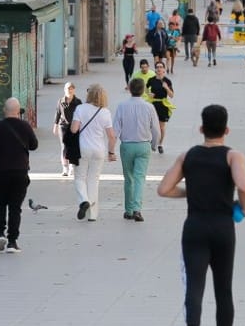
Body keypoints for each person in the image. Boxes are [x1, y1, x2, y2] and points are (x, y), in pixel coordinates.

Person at [156, 104, 245, 326]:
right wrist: (244, 208)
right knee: (224, 290)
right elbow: (244, 186)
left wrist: (191, 192)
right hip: (223, 228)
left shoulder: (188, 156)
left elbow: (163, 189)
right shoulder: (233, 156)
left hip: (194, 227)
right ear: (227, 129)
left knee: (194, 286)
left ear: (201, 129)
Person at [0, 98, 38, 253]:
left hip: (0, 172)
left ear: (4, 110)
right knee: (15, 207)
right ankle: (12, 242)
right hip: (20, 172)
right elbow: (34, 145)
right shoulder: (25, 126)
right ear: (18, 111)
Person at [115, 78, 161, 222]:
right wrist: (154, 144)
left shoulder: (122, 106)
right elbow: (156, 130)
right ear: (143, 90)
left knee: (129, 178)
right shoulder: (149, 107)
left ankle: (128, 210)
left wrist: (111, 148)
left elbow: (115, 129)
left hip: (127, 146)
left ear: (129, 88)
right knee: (140, 178)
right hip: (143, 145)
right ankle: (137, 209)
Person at [70, 84, 117, 223]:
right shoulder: (105, 112)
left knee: (79, 178)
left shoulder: (80, 108)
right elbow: (111, 136)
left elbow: (73, 130)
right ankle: (92, 214)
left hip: (83, 148)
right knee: (93, 180)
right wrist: (111, 152)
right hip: (99, 150)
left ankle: (84, 201)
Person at [53, 82, 81, 177]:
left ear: (74, 90)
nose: (70, 90)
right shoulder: (60, 101)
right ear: (64, 90)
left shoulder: (78, 102)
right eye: (68, 88)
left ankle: (72, 167)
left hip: (74, 126)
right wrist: (55, 126)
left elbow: (81, 114)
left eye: (71, 88)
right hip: (63, 126)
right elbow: (57, 114)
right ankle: (65, 168)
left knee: (73, 146)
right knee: (64, 146)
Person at [147, 62, 175, 154]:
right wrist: (149, 94)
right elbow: (146, 89)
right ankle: (153, 140)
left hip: (163, 105)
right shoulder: (151, 80)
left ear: (164, 69)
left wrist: (166, 88)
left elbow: (171, 95)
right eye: (157, 67)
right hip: (153, 104)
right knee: (152, 125)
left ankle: (160, 144)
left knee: (161, 127)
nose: (159, 69)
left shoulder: (167, 81)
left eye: (161, 67)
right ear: (155, 69)